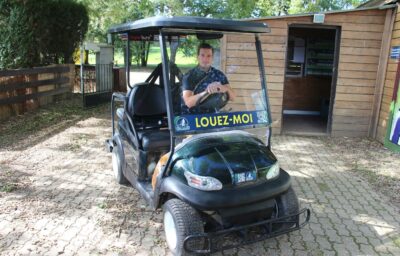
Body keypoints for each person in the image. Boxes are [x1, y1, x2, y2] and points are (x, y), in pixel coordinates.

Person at [181, 43, 235, 114]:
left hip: (213, 118)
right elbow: (188, 103)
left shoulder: (219, 75)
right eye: (202, 55)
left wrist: (223, 88)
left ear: (212, 58)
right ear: (197, 57)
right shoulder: (189, 76)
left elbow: (233, 97)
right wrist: (207, 92)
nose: (205, 59)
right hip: (194, 119)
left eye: (209, 56)